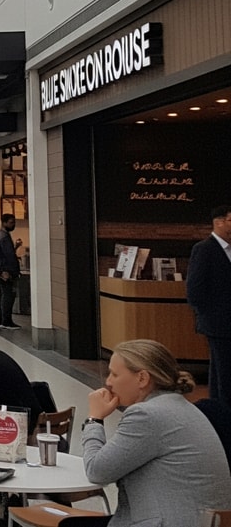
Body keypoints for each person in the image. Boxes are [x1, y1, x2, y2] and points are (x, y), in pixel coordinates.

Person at [83, 339, 231, 527]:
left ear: (142, 378)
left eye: (114, 374)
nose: (108, 382)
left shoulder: (147, 415)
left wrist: (94, 419)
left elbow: (97, 471)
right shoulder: (180, 406)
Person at [187, 206, 231, 403]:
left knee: (220, 371)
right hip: (218, 322)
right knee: (224, 372)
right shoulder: (204, 249)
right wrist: (208, 316)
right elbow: (194, 290)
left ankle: (219, 407)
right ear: (219, 222)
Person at [0, 214, 22, 329]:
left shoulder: (0, 236)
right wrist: (6, 270)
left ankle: (1, 319)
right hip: (7, 270)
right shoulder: (4, 237)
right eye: (11, 222)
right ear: (4, 222)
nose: (13, 224)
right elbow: (7, 255)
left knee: (3, 295)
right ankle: (6, 320)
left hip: (2, 270)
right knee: (7, 295)